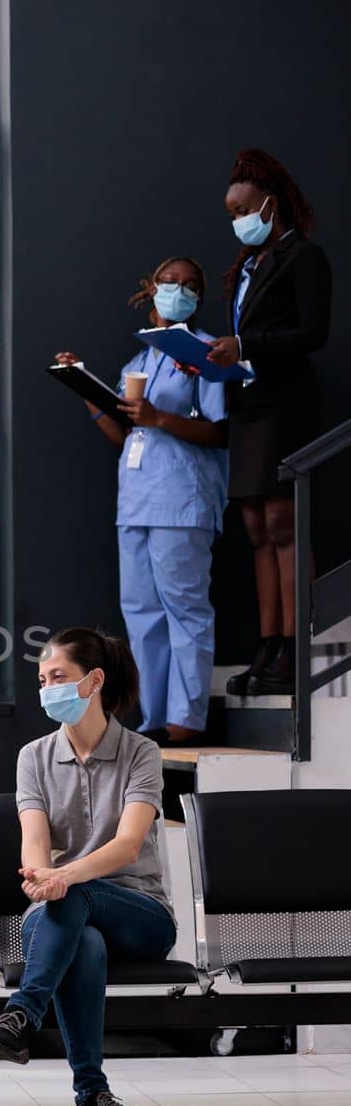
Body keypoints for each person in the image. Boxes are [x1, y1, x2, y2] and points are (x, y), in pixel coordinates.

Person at [0, 628, 175, 1106]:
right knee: (80, 938)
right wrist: (43, 877)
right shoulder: (33, 757)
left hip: (140, 913)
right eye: (42, 680)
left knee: (79, 896)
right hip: (61, 908)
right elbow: (34, 843)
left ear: (95, 681)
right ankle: (95, 1098)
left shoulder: (142, 753)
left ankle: (22, 1012)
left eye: (58, 677)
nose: (47, 689)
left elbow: (129, 845)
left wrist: (64, 876)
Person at [57, 257, 228, 746]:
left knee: (186, 608)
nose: (180, 290)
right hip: (135, 502)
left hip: (181, 500)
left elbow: (220, 432)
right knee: (141, 612)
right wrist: (86, 390)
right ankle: (154, 717)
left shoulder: (205, 355)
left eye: (191, 285)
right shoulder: (140, 361)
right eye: (171, 282)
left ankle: (186, 718)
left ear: (198, 299)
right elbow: (124, 432)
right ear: (152, 288)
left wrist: (159, 418)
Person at [205, 149, 332, 697]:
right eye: (230, 212)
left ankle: (296, 646)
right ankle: (268, 646)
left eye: (242, 209)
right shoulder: (248, 266)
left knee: (284, 528)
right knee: (257, 532)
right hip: (249, 409)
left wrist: (247, 344)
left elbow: (313, 333)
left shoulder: (304, 257)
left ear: (269, 204)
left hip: (284, 407)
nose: (236, 219)